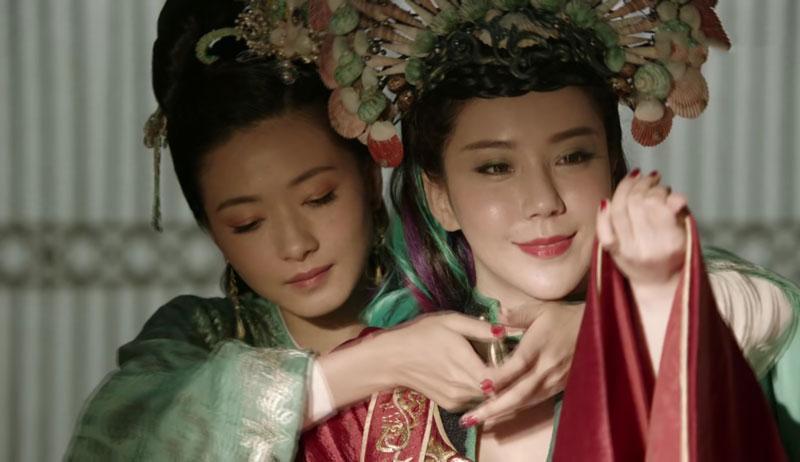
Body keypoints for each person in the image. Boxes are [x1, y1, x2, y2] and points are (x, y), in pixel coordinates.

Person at [298, 0, 800, 459]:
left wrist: (606, 329)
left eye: (573, 157)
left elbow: (761, 308)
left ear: (611, 166)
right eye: (496, 167)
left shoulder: (701, 309)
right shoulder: (370, 405)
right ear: (440, 199)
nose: (543, 202)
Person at [65, 0, 512, 459]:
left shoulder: (451, 291)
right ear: (210, 228)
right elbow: (127, 438)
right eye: (247, 223)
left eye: (319, 198)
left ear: (367, 175)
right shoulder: (198, 337)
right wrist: (374, 364)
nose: (296, 245)